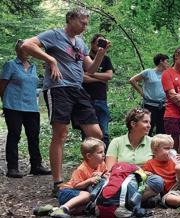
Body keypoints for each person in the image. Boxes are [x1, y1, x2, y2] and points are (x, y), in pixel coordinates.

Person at [21, 7, 110, 195]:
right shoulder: (54, 35)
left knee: (96, 133)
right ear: (70, 19)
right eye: (82, 23)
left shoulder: (81, 42)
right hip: (58, 88)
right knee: (60, 135)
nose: (85, 27)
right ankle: (58, 183)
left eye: (87, 24)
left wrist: (101, 53)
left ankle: (87, 175)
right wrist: (51, 60)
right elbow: (27, 45)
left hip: (78, 89)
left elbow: (90, 70)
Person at [0, 40, 51, 178]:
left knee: (33, 137)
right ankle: (12, 168)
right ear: (18, 51)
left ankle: (36, 166)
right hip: (13, 106)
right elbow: (2, 85)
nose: (26, 53)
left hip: (31, 107)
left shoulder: (34, 67)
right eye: (23, 50)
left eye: (28, 50)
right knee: (14, 135)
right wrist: (4, 103)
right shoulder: (10, 65)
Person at [105, 108, 164, 204]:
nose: (149, 125)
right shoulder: (117, 142)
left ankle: (123, 202)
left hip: (143, 181)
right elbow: (110, 169)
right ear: (133, 124)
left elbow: (159, 167)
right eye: (145, 122)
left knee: (157, 181)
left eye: (149, 122)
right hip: (120, 179)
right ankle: (134, 202)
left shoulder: (153, 142)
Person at [49, 137, 108, 217]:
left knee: (86, 208)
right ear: (89, 156)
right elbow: (76, 186)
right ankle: (63, 208)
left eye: (103, 151)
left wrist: (102, 174)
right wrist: (90, 180)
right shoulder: (81, 169)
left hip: (80, 195)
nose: (103, 154)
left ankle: (51, 210)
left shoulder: (102, 164)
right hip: (66, 191)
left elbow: (108, 177)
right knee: (87, 196)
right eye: (100, 152)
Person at [82, 34, 114, 148]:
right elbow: (82, 78)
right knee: (87, 132)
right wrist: (101, 79)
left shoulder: (105, 59)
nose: (100, 45)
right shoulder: (85, 58)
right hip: (85, 99)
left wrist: (91, 73)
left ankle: (104, 159)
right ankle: (89, 159)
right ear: (92, 44)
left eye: (102, 42)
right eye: (98, 42)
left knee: (104, 132)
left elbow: (109, 76)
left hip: (101, 99)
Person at [129, 53, 169, 136]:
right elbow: (132, 80)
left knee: (162, 130)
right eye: (166, 61)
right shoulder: (148, 72)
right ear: (161, 61)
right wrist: (142, 93)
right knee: (147, 128)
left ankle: (159, 147)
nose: (168, 64)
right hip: (149, 105)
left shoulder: (167, 74)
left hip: (163, 106)